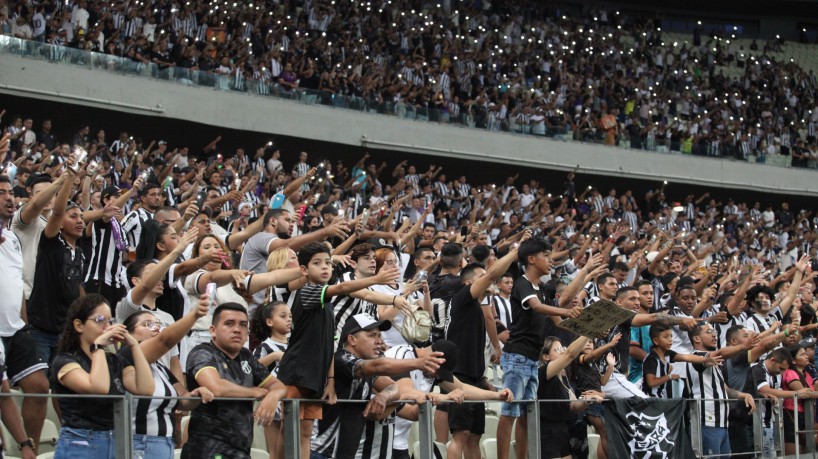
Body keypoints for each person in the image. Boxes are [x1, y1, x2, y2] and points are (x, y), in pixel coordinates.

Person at [275, 242, 400, 459]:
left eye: (328, 263)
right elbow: (341, 288)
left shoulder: (329, 305)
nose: (325, 268)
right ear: (304, 270)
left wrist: (330, 382)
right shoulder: (309, 292)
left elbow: (329, 346)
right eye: (317, 263)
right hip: (295, 373)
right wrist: (376, 280)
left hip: (315, 378)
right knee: (288, 434)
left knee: (305, 434)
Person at [498, 238, 586, 459]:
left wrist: (588, 329)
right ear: (531, 258)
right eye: (546, 255)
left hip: (531, 358)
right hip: (517, 355)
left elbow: (558, 324)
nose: (550, 260)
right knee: (510, 412)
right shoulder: (522, 283)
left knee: (527, 415)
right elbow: (537, 307)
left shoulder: (542, 289)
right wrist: (565, 312)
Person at [311, 313, 446, 459]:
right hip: (320, 452)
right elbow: (378, 366)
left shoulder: (368, 367)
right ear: (352, 339)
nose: (379, 341)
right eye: (372, 335)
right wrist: (417, 363)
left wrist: (383, 396)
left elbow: (394, 387)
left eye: (379, 335)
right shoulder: (341, 359)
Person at [445, 233, 528, 459]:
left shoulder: (477, 308)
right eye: (482, 277)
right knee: (460, 435)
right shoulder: (463, 298)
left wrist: (481, 378)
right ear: (470, 282)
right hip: (458, 377)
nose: (489, 280)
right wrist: (514, 252)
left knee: (474, 437)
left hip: (472, 376)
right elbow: (492, 273)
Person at [51, 294, 155, 459]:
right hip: (80, 441)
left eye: (110, 321)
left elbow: (145, 389)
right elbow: (98, 387)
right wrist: (98, 346)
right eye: (100, 320)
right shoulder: (65, 361)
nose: (107, 327)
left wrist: (134, 345)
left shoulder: (115, 361)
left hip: (114, 440)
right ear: (79, 325)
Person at [182, 303, 287, 459]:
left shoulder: (246, 356)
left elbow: (279, 386)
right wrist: (255, 392)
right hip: (206, 451)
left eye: (243, 325)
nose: (237, 329)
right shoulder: (202, 353)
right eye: (229, 323)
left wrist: (273, 396)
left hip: (241, 451)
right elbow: (216, 387)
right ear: (213, 330)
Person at [386, 339, 514, 459]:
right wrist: (445, 397)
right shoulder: (402, 356)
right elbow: (407, 393)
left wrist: (497, 395)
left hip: (399, 442)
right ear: (434, 356)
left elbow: (462, 388)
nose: (437, 375)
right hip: (381, 437)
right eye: (438, 370)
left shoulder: (431, 367)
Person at [122, 294, 214, 458]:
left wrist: (196, 395)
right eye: (147, 324)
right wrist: (194, 315)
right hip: (138, 444)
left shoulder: (160, 368)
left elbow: (184, 401)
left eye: (158, 324)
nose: (156, 328)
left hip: (163, 444)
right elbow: (164, 341)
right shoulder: (127, 356)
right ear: (129, 333)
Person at [0, 174, 50, 454]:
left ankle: (28, 449)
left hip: (16, 327)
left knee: (39, 385)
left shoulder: (12, 240)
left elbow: (16, 284)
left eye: (10, 192)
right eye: (1, 192)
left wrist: (24, 323)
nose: (9, 197)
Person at [27, 160, 85, 365]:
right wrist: (69, 178)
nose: (80, 221)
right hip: (40, 329)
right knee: (40, 386)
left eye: (81, 217)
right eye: (74, 216)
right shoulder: (51, 242)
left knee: (60, 388)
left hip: (64, 332)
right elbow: (58, 212)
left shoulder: (79, 253)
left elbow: (77, 288)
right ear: (60, 224)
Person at [684, 323, 757, 459]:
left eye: (715, 331)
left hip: (721, 422)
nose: (714, 335)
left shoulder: (713, 363)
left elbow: (725, 390)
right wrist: (743, 347)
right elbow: (720, 353)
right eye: (709, 331)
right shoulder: (697, 357)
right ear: (696, 339)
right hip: (706, 422)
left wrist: (744, 395)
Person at [538, 335, 605, 459]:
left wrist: (587, 401)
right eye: (557, 350)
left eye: (562, 347)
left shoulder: (564, 378)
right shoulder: (544, 372)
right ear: (546, 356)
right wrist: (588, 332)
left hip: (563, 429)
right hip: (546, 431)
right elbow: (569, 354)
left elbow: (574, 405)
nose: (562, 351)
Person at [250, 300, 291, 457]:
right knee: (275, 452)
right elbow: (253, 368)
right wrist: (273, 356)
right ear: (269, 321)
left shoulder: (295, 345)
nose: (288, 319)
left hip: (292, 399)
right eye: (283, 316)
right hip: (273, 404)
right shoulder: (264, 347)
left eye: (290, 316)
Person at [781, 343, 818, 455]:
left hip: (807, 415)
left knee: (807, 452)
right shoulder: (790, 373)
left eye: (805, 354)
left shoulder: (807, 373)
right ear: (793, 361)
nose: (806, 356)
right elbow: (805, 393)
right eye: (802, 355)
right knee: (794, 452)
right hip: (792, 415)